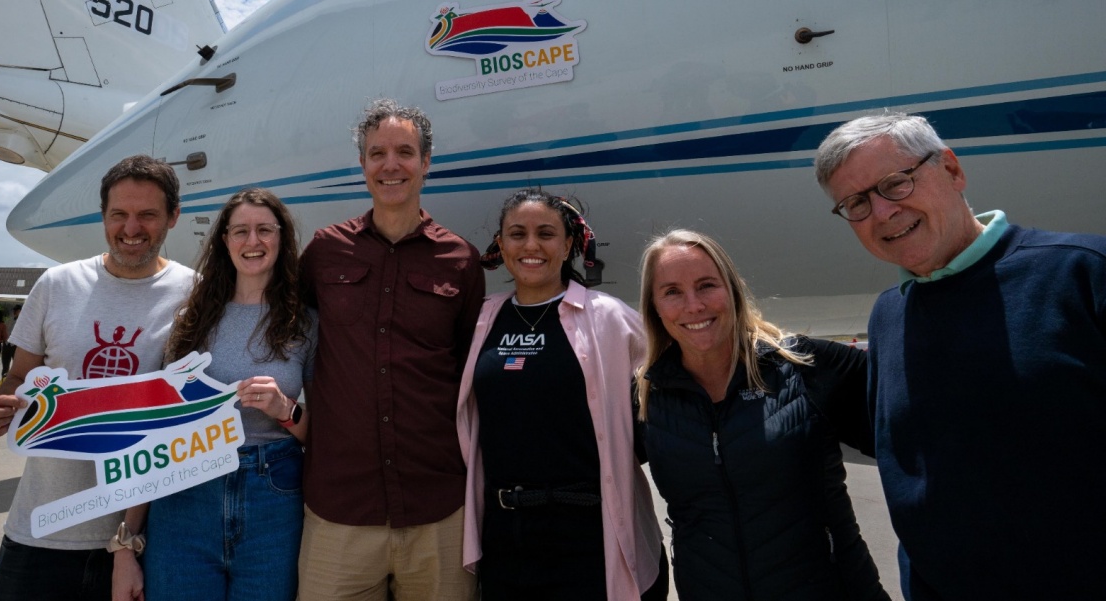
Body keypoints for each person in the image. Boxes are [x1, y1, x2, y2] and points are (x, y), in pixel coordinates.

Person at [815, 112, 1106, 600]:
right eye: (856, 203)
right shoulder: (889, 317)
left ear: (951, 170)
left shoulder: (1081, 276)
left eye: (895, 183)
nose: (882, 212)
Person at [0, 155, 194, 601]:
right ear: (104, 216)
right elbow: (18, 376)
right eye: (119, 215)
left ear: (173, 216)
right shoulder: (56, 285)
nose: (131, 229)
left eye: (148, 215)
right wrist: (0, 409)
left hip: (140, 543)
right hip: (42, 528)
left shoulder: (196, 292)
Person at [297, 98, 485, 601]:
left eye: (405, 152)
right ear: (363, 166)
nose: (390, 165)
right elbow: (284, 335)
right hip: (340, 509)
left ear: (426, 163)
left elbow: (470, 372)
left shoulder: (461, 261)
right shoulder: (324, 251)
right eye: (377, 153)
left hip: (437, 507)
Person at [637, 229, 887, 601]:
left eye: (707, 285)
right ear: (654, 307)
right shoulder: (648, 397)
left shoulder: (805, 367)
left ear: (733, 291)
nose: (693, 306)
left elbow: (929, 444)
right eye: (672, 292)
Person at [457, 188, 665, 601]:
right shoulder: (482, 319)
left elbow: (670, 385)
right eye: (517, 234)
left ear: (568, 244)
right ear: (501, 244)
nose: (531, 245)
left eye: (546, 234)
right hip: (507, 537)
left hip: (590, 535)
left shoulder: (608, 317)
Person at [113, 188, 315, 601]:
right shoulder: (190, 320)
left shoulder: (306, 323)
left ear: (282, 237)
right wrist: (126, 542)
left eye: (264, 230)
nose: (252, 241)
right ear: (225, 241)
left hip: (272, 500)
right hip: (185, 497)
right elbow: (156, 432)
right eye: (240, 231)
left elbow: (322, 436)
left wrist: (285, 410)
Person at [1, 305, 21, 378]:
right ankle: (3, 380)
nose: (15, 312)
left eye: (17, 310)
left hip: (16, 344)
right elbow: (5, 330)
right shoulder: (9, 320)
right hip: (7, 343)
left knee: (17, 365)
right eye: (14, 310)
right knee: (5, 364)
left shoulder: (23, 321)